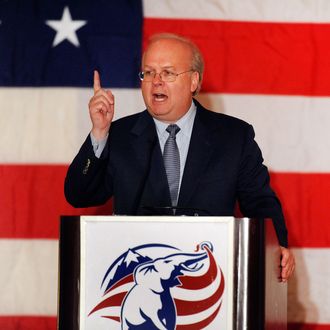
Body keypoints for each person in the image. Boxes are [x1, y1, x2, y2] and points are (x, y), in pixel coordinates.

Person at [64, 33, 295, 281]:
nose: (156, 82)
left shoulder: (233, 137)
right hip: (139, 278)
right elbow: (79, 195)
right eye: (148, 73)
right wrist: (99, 133)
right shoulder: (119, 136)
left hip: (210, 276)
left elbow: (260, 202)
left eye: (168, 73)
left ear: (194, 81)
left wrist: (276, 247)